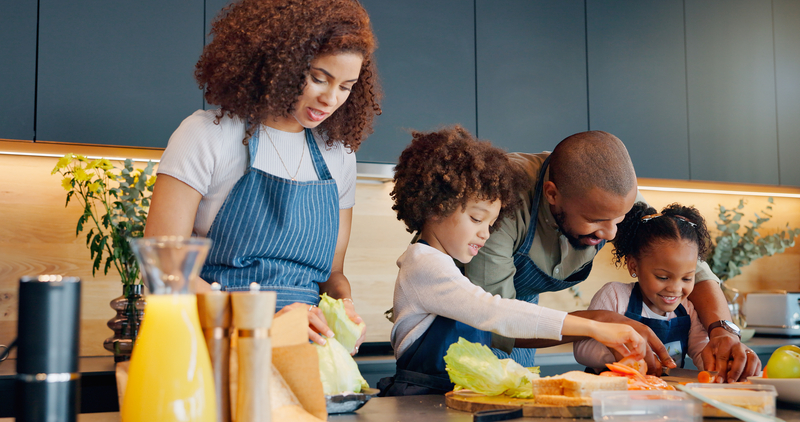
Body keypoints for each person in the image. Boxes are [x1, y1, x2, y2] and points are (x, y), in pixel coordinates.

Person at [143, 0, 381, 350]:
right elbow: (164, 274)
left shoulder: (338, 156)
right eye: (318, 78)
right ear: (279, 62)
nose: (331, 98)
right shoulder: (208, 135)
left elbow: (332, 275)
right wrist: (264, 322)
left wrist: (343, 305)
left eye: (346, 86)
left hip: (306, 352)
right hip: (220, 345)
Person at [464, 131, 761, 382]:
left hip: (527, 317)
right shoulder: (503, 202)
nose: (610, 234)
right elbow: (493, 320)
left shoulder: (611, 194)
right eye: (595, 220)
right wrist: (597, 322)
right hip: (463, 323)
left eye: (618, 219)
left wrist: (722, 331)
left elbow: (689, 263)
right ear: (552, 194)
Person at [378, 126, 646, 396]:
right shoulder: (425, 265)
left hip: (451, 394)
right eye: (476, 219)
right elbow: (493, 312)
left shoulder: (440, 264)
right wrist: (594, 327)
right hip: (421, 397)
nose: (486, 234)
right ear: (436, 207)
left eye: (492, 223)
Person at [574, 203, 743, 373]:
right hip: (612, 393)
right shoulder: (615, 296)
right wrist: (622, 353)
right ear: (633, 266)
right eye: (663, 277)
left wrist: (720, 364)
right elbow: (581, 349)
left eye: (687, 278)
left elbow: (701, 349)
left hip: (665, 394)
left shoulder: (687, 308)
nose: (675, 288)